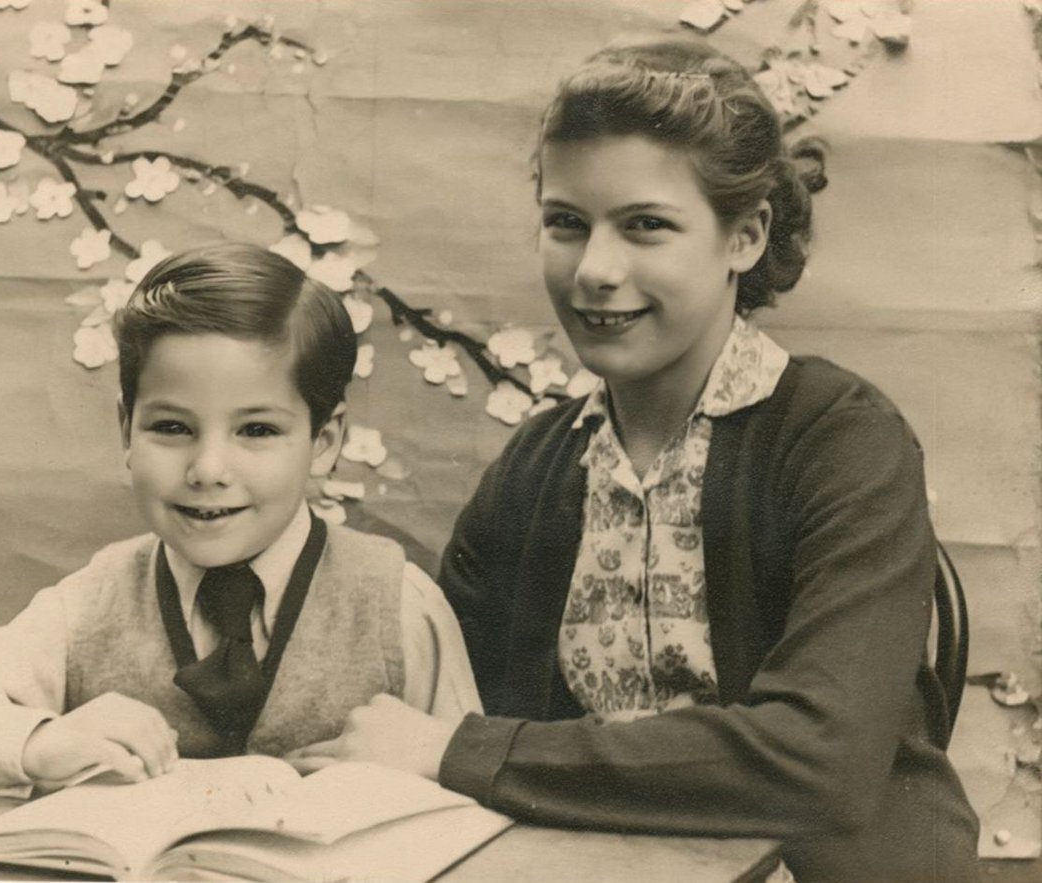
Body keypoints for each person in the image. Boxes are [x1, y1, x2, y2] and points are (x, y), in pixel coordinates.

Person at [286, 41, 980, 881]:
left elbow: (818, 761)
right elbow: (437, 699)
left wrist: (471, 752)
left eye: (646, 225)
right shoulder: (538, 468)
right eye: (566, 223)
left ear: (746, 235)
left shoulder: (840, 440)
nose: (595, 271)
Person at [0, 242, 479, 792]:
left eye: (257, 430)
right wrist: (38, 741)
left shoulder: (397, 606)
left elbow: (472, 790)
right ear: (126, 431)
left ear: (323, 441)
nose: (208, 468)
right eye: (172, 428)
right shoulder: (89, 606)